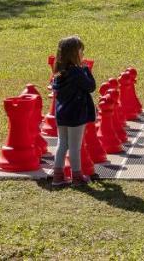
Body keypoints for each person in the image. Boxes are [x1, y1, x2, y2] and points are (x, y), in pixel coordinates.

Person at [49, 35, 96, 187]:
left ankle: (58, 176)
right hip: (76, 114)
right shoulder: (76, 72)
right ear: (74, 54)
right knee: (75, 147)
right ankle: (77, 177)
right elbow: (90, 87)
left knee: (62, 144)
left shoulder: (59, 73)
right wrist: (87, 70)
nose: (83, 54)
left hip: (61, 113)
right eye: (81, 51)